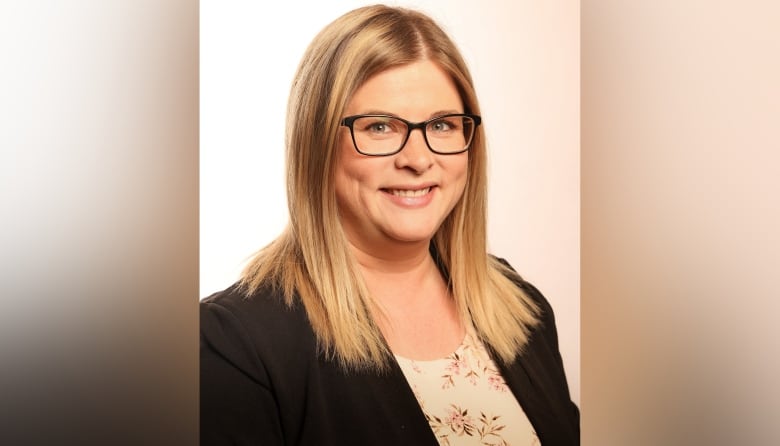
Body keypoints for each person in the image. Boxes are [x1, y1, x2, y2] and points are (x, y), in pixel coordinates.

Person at [200, 5, 579, 445]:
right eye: (379, 126)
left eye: (441, 124)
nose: (418, 159)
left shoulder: (520, 310)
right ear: (317, 143)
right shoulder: (234, 347)